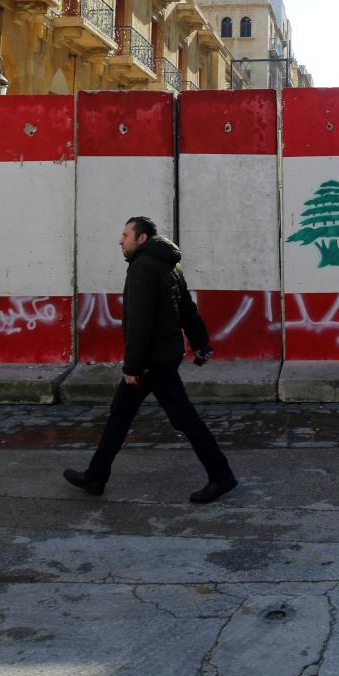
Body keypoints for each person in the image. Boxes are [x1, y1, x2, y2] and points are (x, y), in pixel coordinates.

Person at [63, 216, 236, 504]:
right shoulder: (169, 264)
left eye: (126, 235)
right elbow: (187, 309)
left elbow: (140, 323)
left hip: (153, 361)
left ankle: (221, 476)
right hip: (161, 356)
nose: (121, 240)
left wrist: (133, 367)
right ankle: (95, 476)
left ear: (142, 239)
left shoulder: (143, 267)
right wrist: (201, 342)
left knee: (184, 418)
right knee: (121, 412)